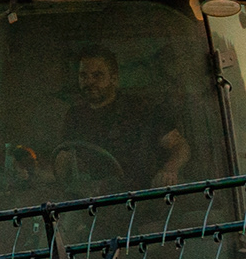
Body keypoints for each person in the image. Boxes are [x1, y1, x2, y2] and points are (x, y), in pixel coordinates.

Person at [50, 43, 190, 189]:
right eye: (83, 76)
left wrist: (169, 170)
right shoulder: (74, 116)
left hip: (139, 199)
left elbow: (180, 147)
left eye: (97, 75)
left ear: (114, 78)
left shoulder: (141, 109)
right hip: (91, 201)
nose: (89, 82)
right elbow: (65, 159)